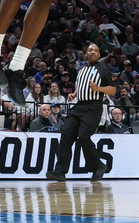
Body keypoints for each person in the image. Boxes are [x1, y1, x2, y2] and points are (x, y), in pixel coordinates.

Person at [46, 44, 114, 181]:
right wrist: (75, 94)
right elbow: (82, 85)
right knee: (66, 134)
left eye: (95, 50)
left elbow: (112, 90)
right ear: (86, 53)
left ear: (99, 55)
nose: (93, 52)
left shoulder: (103, 68)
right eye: (90, 50)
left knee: (83, 137)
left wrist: (98, 88)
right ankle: (60, 171)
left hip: (94, 107)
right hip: (79, 106)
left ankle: (98, 166)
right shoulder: (81, 69)